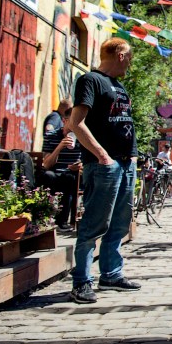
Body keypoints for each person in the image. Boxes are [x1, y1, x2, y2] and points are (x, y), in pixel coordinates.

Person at [67, 38, 141, 304]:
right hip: (104, 165)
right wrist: (101, 155)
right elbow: (76, 123)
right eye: (129, 57)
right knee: (95, 223)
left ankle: (111, 273)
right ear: (120, 55)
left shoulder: (119, 86)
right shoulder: (90, 80)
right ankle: (81, 281)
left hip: (125, 164)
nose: (131, 63)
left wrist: (131, 158)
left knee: (120, 223)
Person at [38, 107, 82, 231]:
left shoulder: (81, 137)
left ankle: (62, 221)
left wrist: (80, 165)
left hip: (72, 174)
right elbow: (46, 164)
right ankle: (43, 217)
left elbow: (86, 160)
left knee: (68, 177)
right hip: (54, 172)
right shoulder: (51, 136)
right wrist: (59, 147)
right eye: (73, 121)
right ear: (64, 121)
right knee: (48, 176)